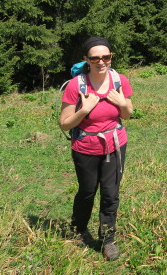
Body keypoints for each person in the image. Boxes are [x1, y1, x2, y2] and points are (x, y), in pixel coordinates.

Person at [59, 37, 133, 261]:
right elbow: (64, 123)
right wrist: (85, 109)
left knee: (111, 194)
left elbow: (128, 115)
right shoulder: (76, 86)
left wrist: (122, 103)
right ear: (86, 59)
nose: (101, 61)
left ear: (111, 57)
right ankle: (79, 231)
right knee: (87, 191)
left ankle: (108, 239)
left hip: (115, 145)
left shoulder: (120, 80)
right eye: (95, 58)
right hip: (85, 147)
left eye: (106, 57)